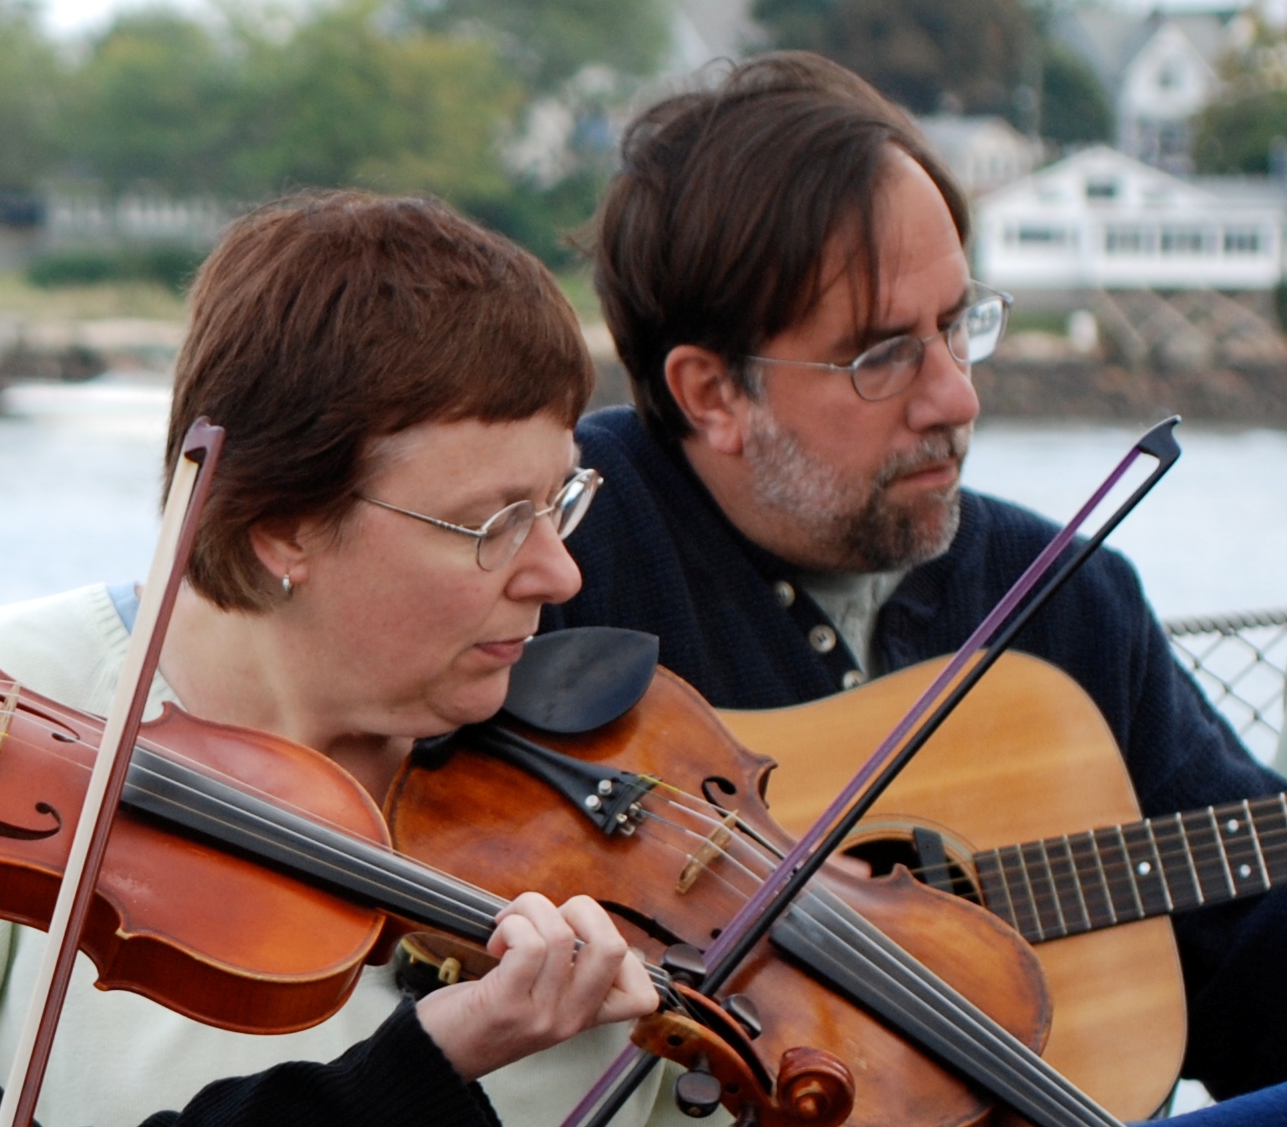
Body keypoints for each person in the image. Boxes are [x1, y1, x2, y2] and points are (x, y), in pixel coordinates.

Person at [539, 53, 1287, 1106]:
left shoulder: (1066, 594)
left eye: (958, 324)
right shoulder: (561, 555)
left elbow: (1252, 957)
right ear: (712, 391)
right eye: (883, 354)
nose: (956, 396)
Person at [0, 192, 663, 1127]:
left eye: (561, 499)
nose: (559, 570)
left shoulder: (604, 794)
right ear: (282, 528)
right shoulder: (19, 719)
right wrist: (422, 1070)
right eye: (494, 523)